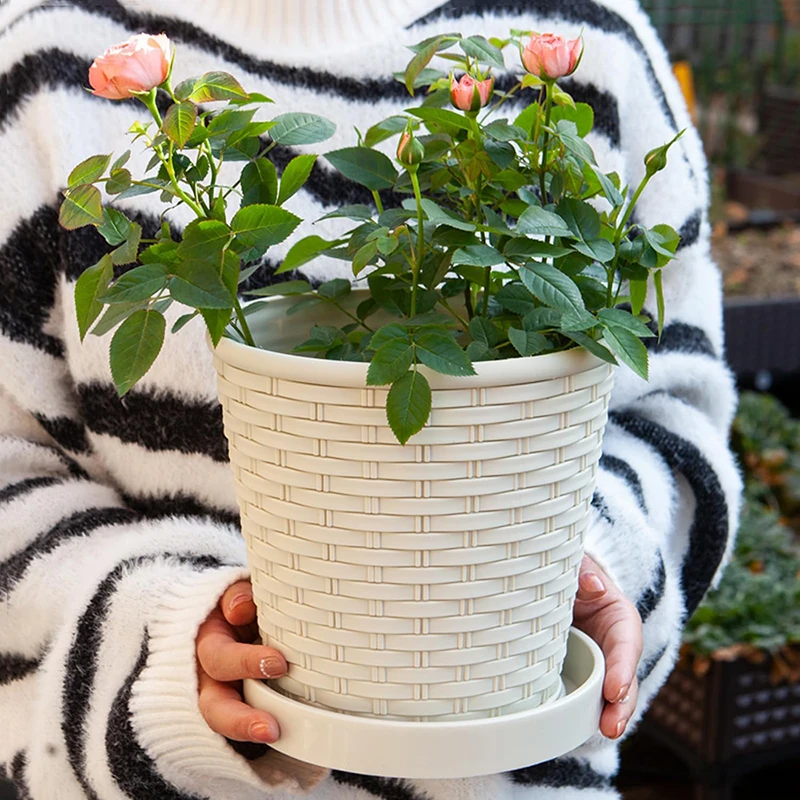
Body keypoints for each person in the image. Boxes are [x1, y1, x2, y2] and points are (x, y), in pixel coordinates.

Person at [0, 0, 743, 798]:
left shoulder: (597, 39)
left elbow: (672, 418)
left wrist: (577, 554)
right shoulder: (45, 52)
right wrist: (163, 643)